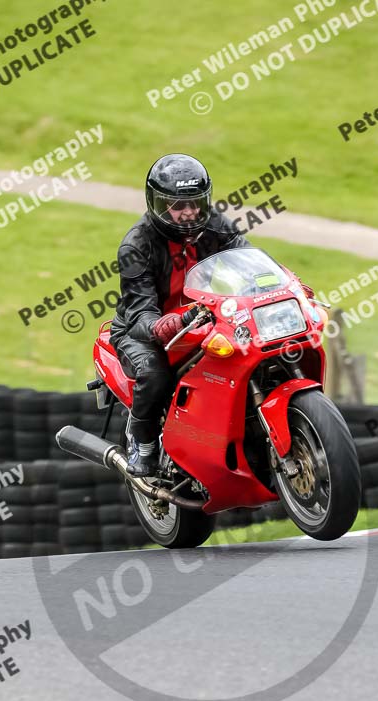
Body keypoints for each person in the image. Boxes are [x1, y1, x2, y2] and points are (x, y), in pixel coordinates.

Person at [109, 153, 251, 477]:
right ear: (158, 204)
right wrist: (169, 323)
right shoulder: (136, 245)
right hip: (139, 330)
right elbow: (141, 311)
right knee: (155, 375)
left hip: (200, 317)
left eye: (195, 203)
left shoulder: (214, 225)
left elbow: (248, 259)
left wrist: (285, 286)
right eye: (178, 205)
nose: (189, 213)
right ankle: (141, 440)